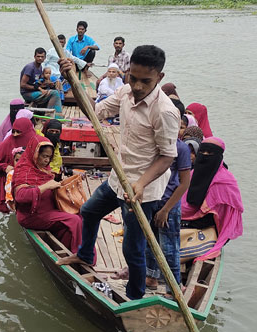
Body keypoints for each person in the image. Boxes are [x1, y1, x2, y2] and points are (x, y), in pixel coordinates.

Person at [57, 45, 179, 300]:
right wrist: (72, 80)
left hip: (142, 190)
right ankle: (86, 254)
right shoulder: (125, 92)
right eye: (132, 78)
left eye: (145, 81)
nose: (137, 86)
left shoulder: (165, 111)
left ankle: (134, 296)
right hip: (118, 178)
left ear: (160, 78)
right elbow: (95, 112)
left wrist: (141, 183)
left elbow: (167, 156)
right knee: (89, 211)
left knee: (132, 249)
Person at [13, 136, 83, 253]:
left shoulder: (44, 168)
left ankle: (71, 251)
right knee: (74, 220)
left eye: (49, 157)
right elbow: (20, 196)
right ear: (35, 153)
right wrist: (45, 187)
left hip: (47, 211)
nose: (47, 160)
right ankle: (80, 255)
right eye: (44, 156)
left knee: (81, 214)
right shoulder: (23, 169)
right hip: (31, 215)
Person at [145, 128, 193, 293]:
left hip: (168, 204)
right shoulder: (153, 145)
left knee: (169, 249)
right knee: (150, 242)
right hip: (150, 199)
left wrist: (166, 210)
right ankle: (151, 277)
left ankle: (174, 289)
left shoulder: (181, 148)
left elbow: (184, 183)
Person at [181, 137, 243, 260]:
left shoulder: (225, 181)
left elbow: (226, 216)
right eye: (202, 152)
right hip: (185, 221)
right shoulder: (192, 174)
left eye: (210, 153)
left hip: (207, 227)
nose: (205, 156)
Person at [0, 118, 40, 213]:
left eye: (19, 132)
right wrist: (5, 167)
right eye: (13, 131)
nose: (15, 135)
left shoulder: (37, 142)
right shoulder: (5, 145)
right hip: (13, 182)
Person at [20, 48, 62, 115]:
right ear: (34, 57)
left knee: (55, 90)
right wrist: (37, 88)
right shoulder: (30, 68)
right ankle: (52, 115)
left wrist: (48, 84)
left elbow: (39, 82)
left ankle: (51, 112)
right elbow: (23, 85)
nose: (40, 58)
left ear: (45, 58)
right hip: (27, 93)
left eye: (42, 57)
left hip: (35, 91)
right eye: (38, 56)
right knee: (54, 93)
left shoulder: (40, 68)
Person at [4, 147, 24, 212]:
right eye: (17, 160)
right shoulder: (11, 174)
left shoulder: (32, 173)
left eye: (23, 160)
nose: (19, 163)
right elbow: (9, 194)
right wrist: (14, 208)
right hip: (14, 204)